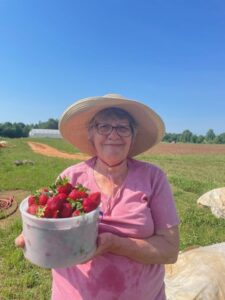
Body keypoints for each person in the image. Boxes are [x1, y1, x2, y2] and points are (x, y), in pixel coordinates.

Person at [15, 93, 180, 300]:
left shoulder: (153, 178)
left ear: (133, 135)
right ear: (91, 134)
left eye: (123, 127)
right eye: (104, 127)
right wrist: (36, 236)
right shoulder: (70, 178)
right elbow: (50, 227)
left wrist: (114, 243)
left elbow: (170, 251)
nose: (113, 134)